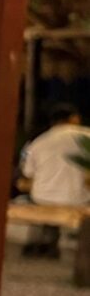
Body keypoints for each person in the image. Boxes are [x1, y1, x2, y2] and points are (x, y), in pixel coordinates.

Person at [21, 104, 89, 257]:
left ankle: (38, 243)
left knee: (38, 200)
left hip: (43, 197)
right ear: (74, 119)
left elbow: (27, 172)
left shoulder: (38, 142)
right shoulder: (86, 136)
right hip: (78, 198)